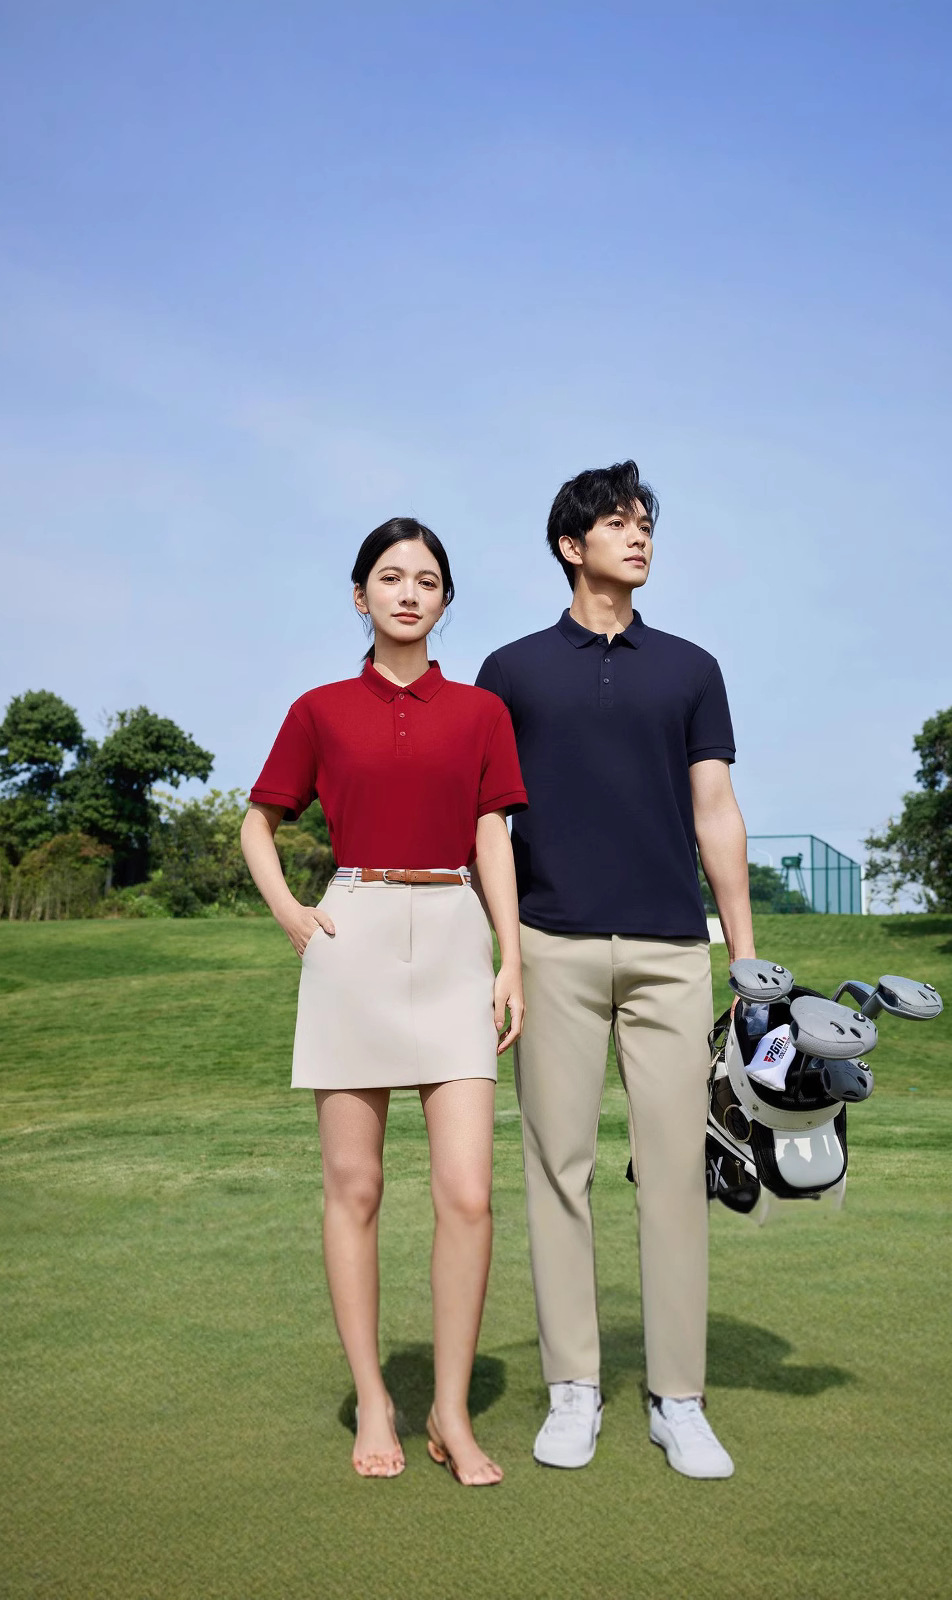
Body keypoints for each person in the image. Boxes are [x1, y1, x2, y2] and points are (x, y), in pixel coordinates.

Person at [476, 461, 755, 1480]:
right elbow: (487, 821)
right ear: (571, 544)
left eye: (646, 524)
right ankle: (573, 1389)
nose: (639, 537)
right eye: (619, 523)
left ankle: (679, 1398)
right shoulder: (510, 672)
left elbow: (715, 812)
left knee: (675, 1171)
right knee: (558, 1168)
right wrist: (506, 953)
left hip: (673, 951)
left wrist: (747, 956)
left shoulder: (691, 668)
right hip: (550, 944)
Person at [241, 518, 527, 1487]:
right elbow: (257, 822)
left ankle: (450, 1409)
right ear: (359, 595)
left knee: (469, 1192)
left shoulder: (483, 712)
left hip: (455, 934)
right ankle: (374, 1396)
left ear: (446, 600)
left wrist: (511, 958)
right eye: (392, 577)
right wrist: (291, 913)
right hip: (352, 933)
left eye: (428, 579)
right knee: (354, 1187)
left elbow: (492, 835)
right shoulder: (318, 709)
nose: (410, 593)